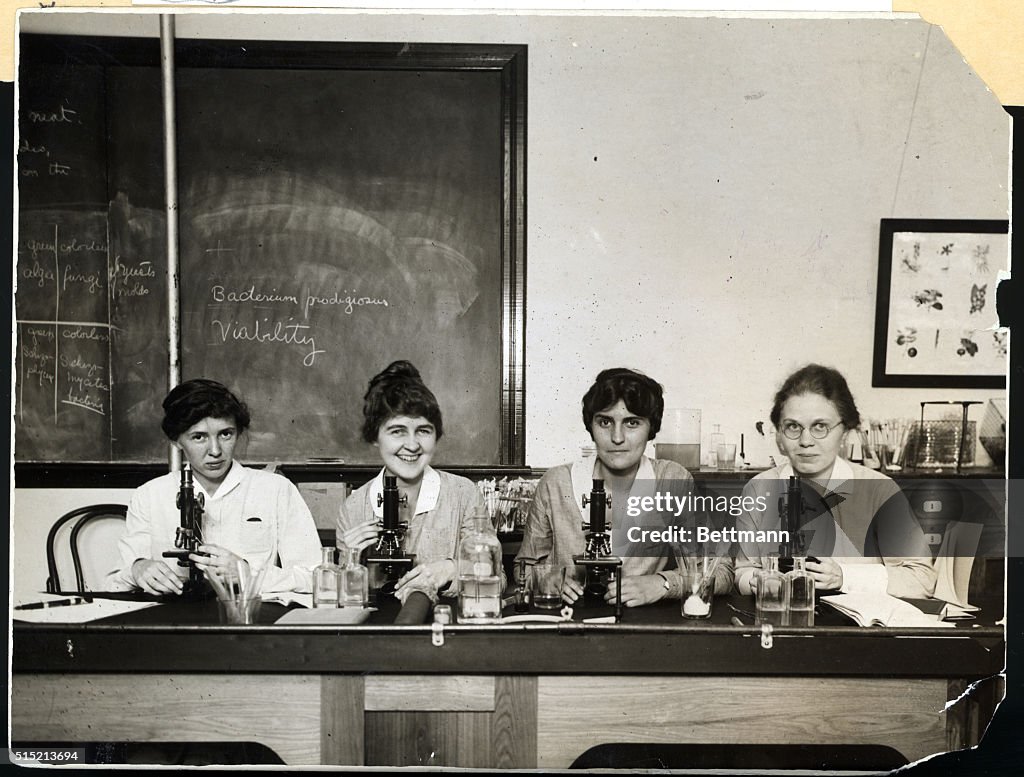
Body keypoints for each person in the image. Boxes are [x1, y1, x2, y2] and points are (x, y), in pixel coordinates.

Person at [516, 367, 734, 608]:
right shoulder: (556, 483)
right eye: (605, 422)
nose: (617, 437)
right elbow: (523, 567)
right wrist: (545, 579)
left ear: (651, 428)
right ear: (591, 426)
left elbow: (721, 571)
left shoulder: (671, 480)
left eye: (632, 423)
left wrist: (662, 583)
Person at [733, 364, 936, 599]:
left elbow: (921, 580)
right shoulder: (759, 489)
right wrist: (758, 581)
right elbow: (744, 571)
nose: (805, 440)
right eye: (793, 427)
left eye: (821, 427)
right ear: (779, 436)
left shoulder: (880, 489)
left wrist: (844, 577)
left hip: (858, 631)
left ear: (846, 434)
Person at [106, 379, 322, 595]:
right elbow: (112, 583)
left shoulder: (276, 490)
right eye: (199, 437)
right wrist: (137, 569)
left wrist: (248, 574)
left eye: (225, 434)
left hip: (248, 619)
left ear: (238, 432)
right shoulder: (150, 495)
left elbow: (315, 577)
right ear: (176, 442)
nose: (216, 450)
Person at [336, 360, 498, 604]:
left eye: (423, 430)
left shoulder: (463, 494)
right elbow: (341, 599)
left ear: (436, 435)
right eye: (397, 431)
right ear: (375, 437)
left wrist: (453, 569)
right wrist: (350, 561)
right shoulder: (354, 508)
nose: (412, 445)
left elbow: (499, 577)